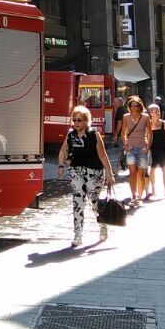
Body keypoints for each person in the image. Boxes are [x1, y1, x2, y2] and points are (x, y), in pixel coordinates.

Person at [56, 105, 114, 247]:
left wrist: (109, 175)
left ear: (86, 121)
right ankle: (78, 234)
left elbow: (103, 155)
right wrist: (61, 166)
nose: (76, 123)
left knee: (93, 202)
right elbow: (63, 151)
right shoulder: (71, 135)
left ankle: (102, 224)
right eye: (74, 120)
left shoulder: (94, 134)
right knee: (77, 203)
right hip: (77, 171)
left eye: (79, 120)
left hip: (94, 172)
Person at [119, 96, 152, 206]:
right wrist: (126, 145)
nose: (134, 107)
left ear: (140, 106)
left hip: (142, 146)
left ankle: (139, 197)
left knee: (141, 173)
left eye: (136, 105)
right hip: (131, 148)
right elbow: (123, 133)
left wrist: (148, 147)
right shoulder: (126, 117)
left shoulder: (145, 117)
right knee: (132, 172)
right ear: (129, 106)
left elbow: (150, 133)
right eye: (132, 105)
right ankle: (134, 195)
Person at [146, 103, 165, 198]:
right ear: (150, 113)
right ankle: (153, 189)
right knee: (152, 169)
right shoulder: (148, 124)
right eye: (155, 111)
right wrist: (147, 149)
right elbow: (146, 137)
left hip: (164, 149)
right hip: (153, 149)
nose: (158, 113)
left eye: (158, 110)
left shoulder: (164, 123)